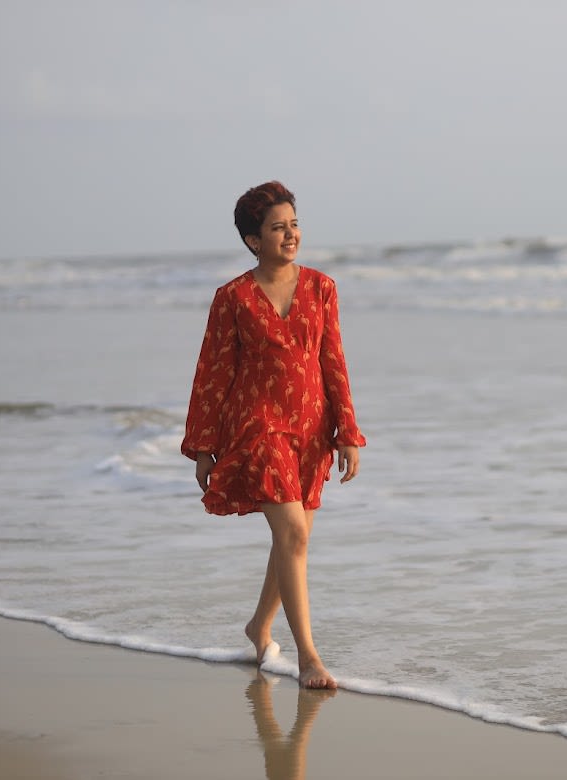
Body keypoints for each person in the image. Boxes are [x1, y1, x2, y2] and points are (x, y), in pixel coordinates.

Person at [181, 181, 365, 689]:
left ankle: (259, 625)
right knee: (295, 533)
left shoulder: (322, 288)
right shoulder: (232, 298)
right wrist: (202, 445)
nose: (291, 235)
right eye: (277, 228)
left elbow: (334, 362)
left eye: (294, 224)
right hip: (257, 424)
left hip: (311, 427)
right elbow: (212, 372)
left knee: (292, 539)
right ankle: (309, 657)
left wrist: (347, 430)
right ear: (252, 240)